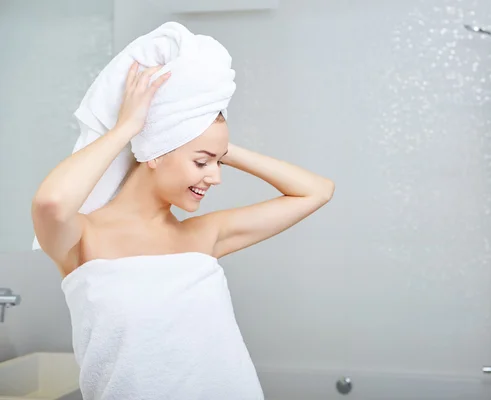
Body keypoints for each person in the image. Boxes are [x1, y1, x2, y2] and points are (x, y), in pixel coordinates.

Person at [31, 60, 334, 398]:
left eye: (218, 163)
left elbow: (317, 191)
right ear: (155, 153)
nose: (215, 176)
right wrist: (129, 128)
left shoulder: (203, 235)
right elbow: (51, 204)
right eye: (202, 162)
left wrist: (216, 146)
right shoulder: (82, 238)